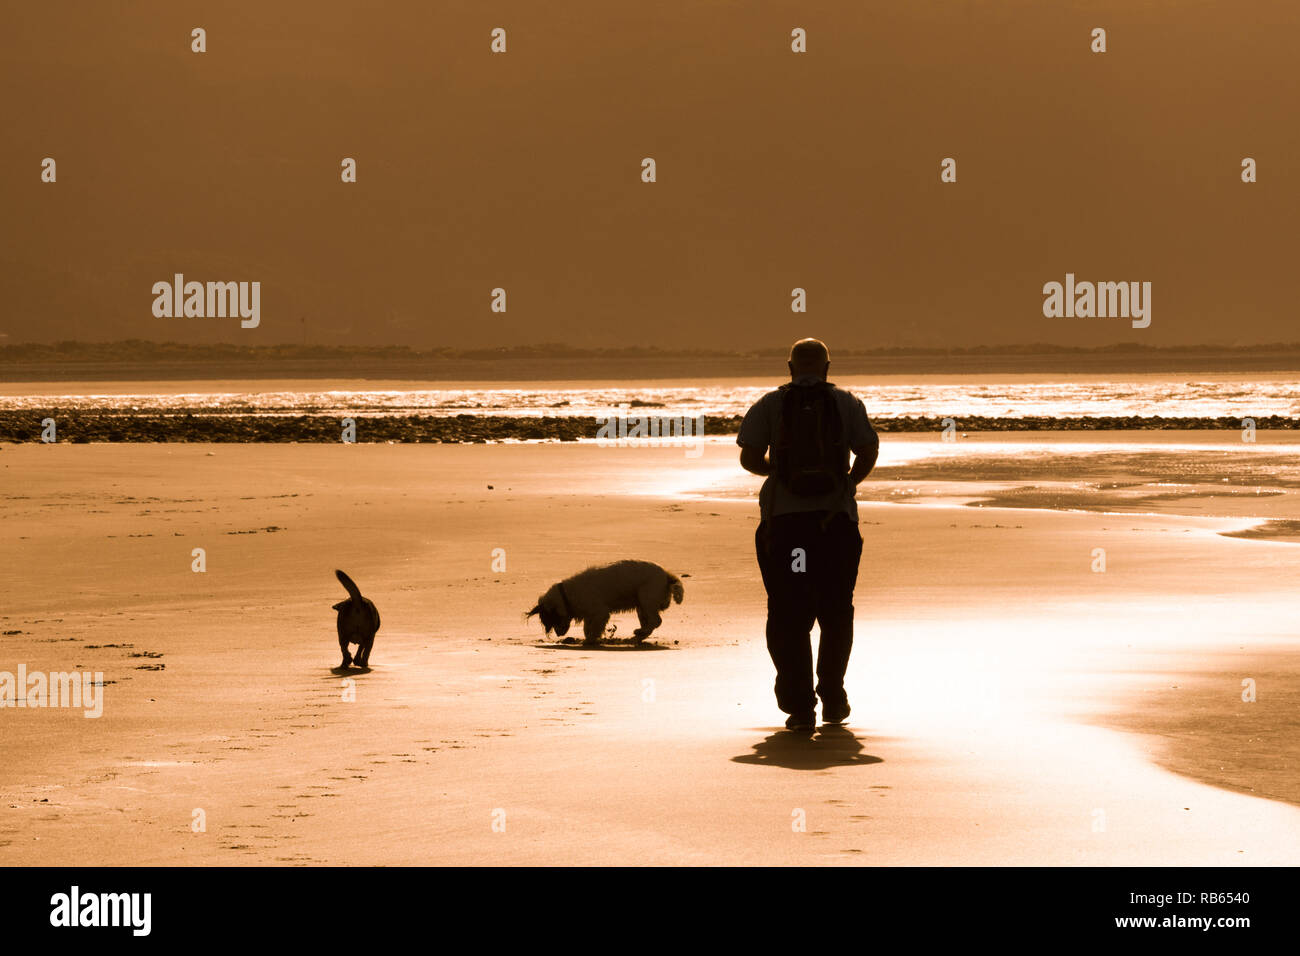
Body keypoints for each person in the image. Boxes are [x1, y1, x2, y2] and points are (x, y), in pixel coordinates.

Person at [737, 338, 879, 732]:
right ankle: (833, 696)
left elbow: (749, 458)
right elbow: (868, 450)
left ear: (790, 367)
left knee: (788, 613)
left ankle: (800, 708)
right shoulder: (847, 403)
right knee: (836, 612)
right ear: (827, 368)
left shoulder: (769, 404)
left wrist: (781, 475)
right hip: (835, 524)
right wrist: (848, 482)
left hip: (786, 525)